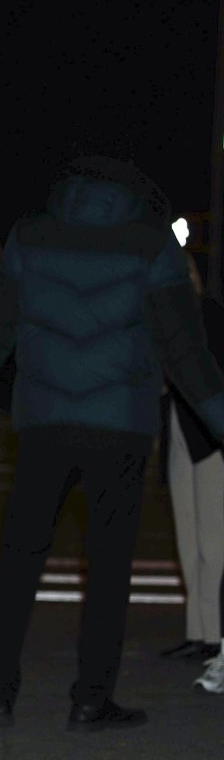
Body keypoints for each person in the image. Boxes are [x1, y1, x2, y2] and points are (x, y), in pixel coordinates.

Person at [0, 154, 224, 730]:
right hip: (121, 424)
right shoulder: (152, 244)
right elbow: (185, 351)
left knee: (22, 558)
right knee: (107, 568)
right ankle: (90, 696)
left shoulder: (31, 235)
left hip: (45, 420)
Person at [162, 252, 224, 690]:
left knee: (213, 539)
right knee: (187, 535)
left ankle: (214, 633)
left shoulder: (207, 314)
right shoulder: (165, 318)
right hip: (179, 427)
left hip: (208, 433)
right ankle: (199, 631)